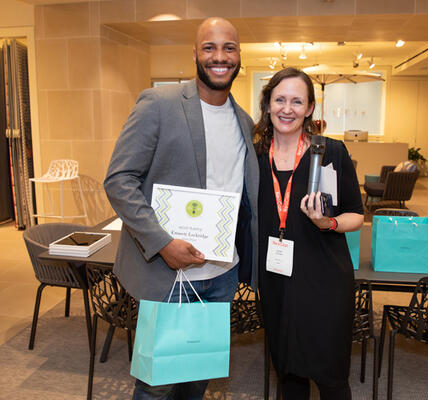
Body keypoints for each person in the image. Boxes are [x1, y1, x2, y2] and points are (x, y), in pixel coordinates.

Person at [104, 17, 259, 400]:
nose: (219, 57)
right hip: (167, 272)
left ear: (240, 56)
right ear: (195, 54)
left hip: (221, 274)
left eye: (229, 48)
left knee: (197, 379)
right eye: (209, 48)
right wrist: (162, 243)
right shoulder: (159, 103)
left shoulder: (245, 121)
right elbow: (119, 180)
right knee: (156, 384)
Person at [254, 67, 364, 400]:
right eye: (280, 99)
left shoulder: (330, 152)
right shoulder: (255, 156)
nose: (287, 109)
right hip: (276, 279)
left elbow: (356, 215)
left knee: (330, 376)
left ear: (310, 108)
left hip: (324, 278)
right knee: (288, 372)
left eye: (297, 101)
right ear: (268, 104)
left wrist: (326, 223)